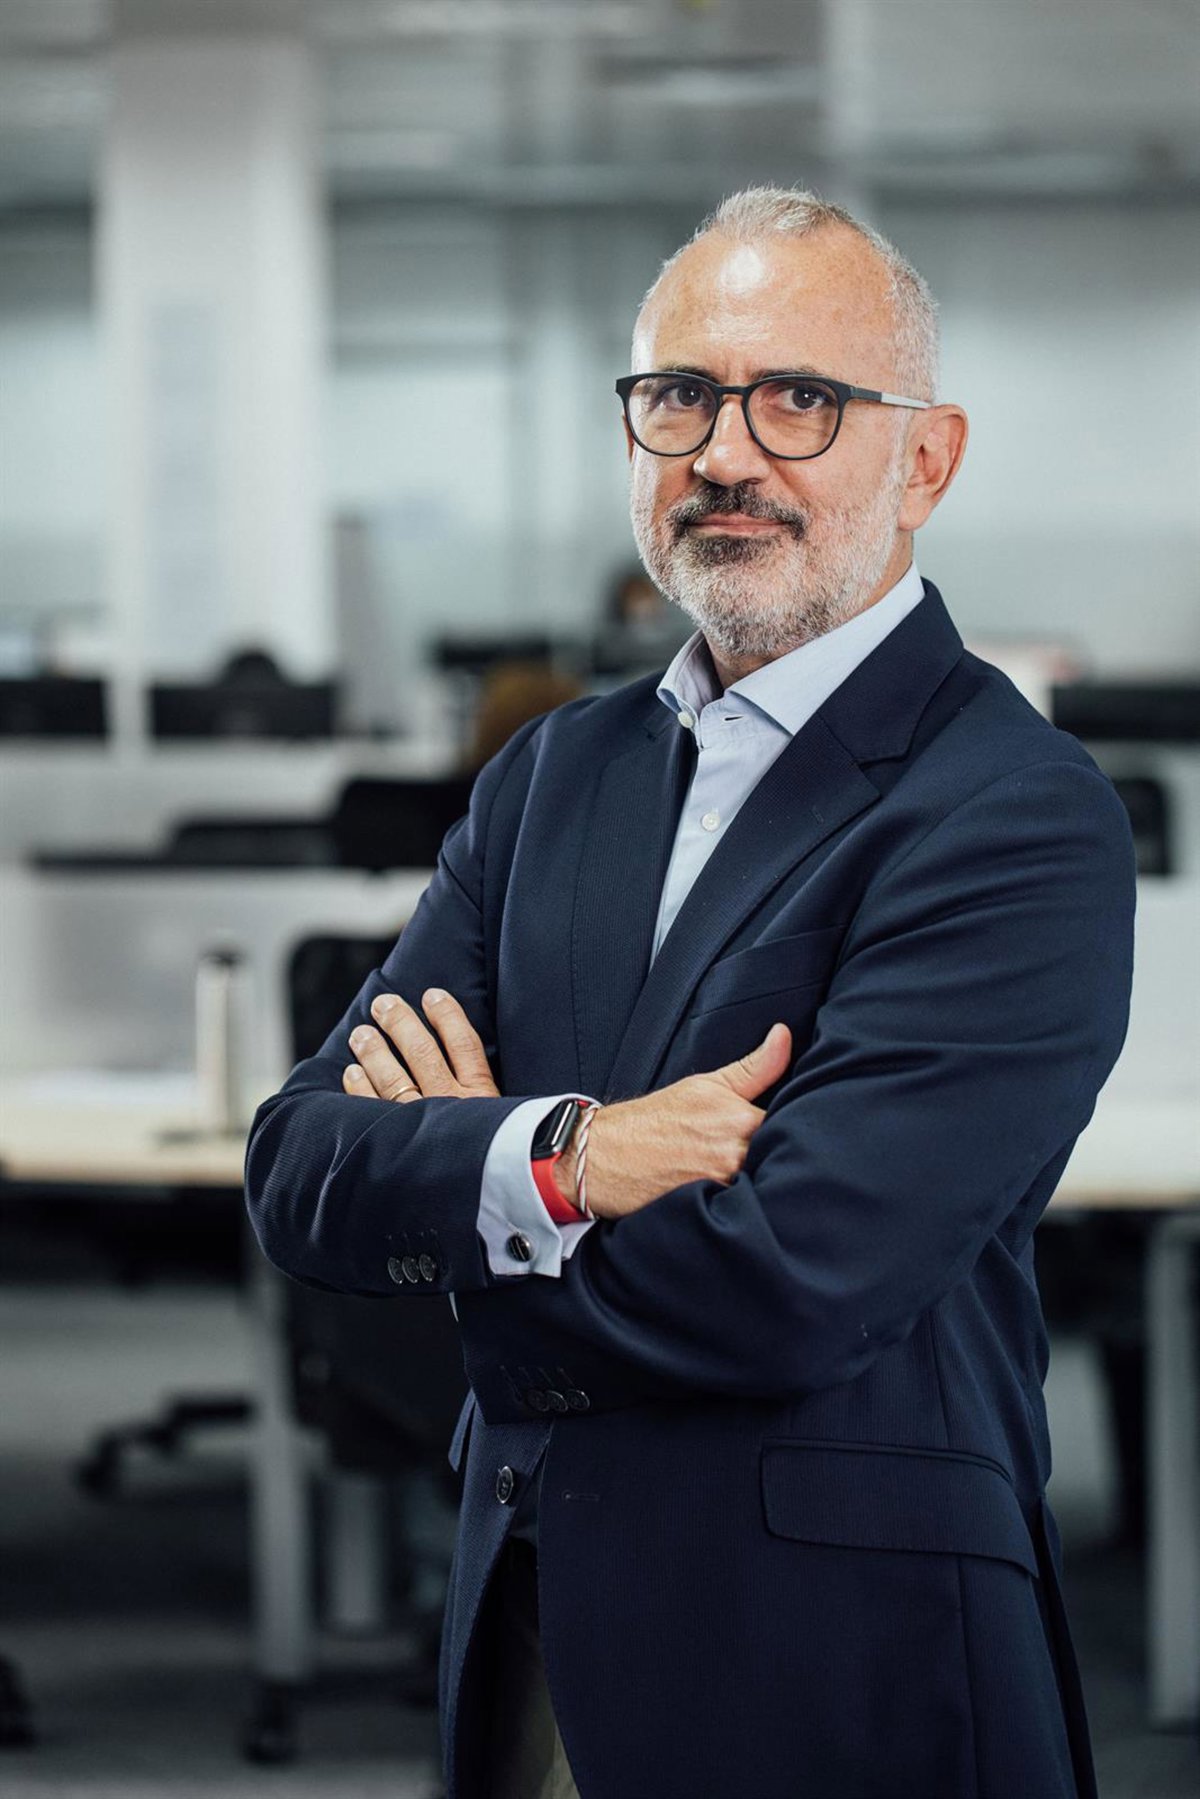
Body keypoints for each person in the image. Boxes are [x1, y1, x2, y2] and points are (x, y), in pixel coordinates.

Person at [245, 186, 1135, 1799]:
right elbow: (304, 1169)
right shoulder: (554, 774)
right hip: (531, 1631)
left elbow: (795, 1274)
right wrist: (568, 1161)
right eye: (680, 397)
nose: (727, 452)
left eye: (800, 399)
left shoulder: (1011, 808)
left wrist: (465, 1204)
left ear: (926, 460)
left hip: (833, 1656)